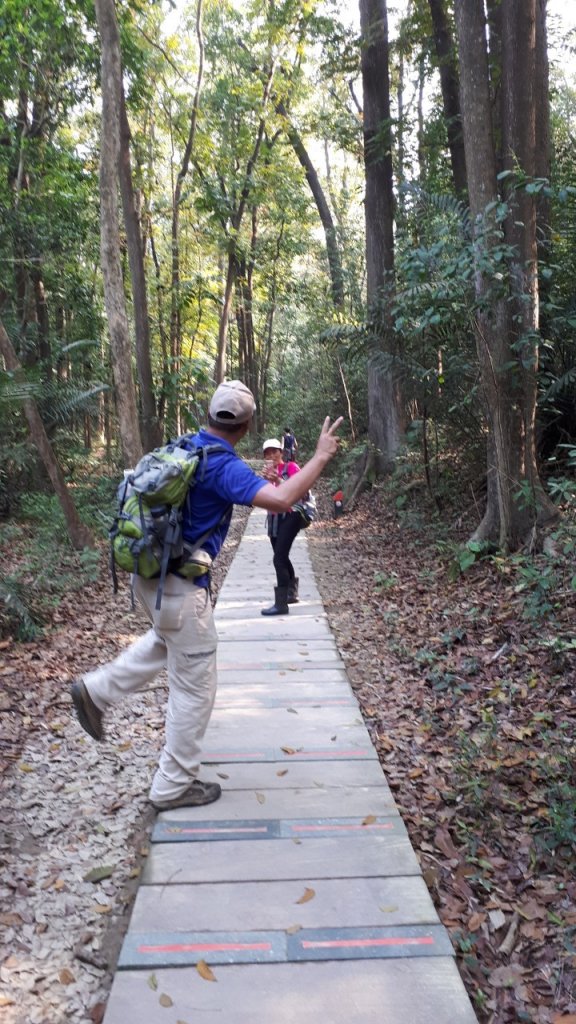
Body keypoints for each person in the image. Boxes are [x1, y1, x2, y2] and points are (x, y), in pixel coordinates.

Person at [71, 380, 342, 812]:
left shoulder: (187, 445)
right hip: (179, 587)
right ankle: (172, 786)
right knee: (195, 687)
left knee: (167, 642)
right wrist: (321, 455)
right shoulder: (223, 466)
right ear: (247, 425)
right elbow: (285, 498)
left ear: (209, 415)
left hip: (150, 577)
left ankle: (96, 691)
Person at [260, 438, 303, 615]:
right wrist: (261, 482)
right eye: (267, 453)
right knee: (281, 555)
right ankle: (291, 593)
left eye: (274, 451)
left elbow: (300, 490)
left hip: (292, 515)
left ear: (281, 452)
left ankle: (281, 603)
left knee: (279, 558)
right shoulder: (267, 472)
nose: (271, 455)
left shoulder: (292, 468)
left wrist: (278, 479)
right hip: (274, 516)